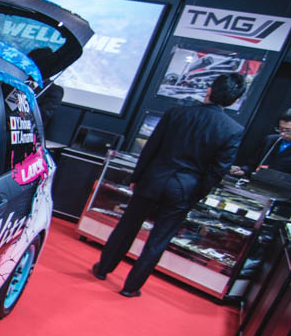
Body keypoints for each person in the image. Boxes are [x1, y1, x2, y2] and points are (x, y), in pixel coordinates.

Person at [92, 73, 246, 298]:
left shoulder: (177, 113)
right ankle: (131, 287)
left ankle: (103, 269)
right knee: (159, 239)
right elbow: (218, 169)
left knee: (127, 227)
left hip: (153, 179)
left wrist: (137, 176)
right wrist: (197, 194)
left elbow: (151, 148)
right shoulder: (232, 129)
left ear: (209, 90)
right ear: (235, 100)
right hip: (185, 188)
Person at [232, 108, 291, 177]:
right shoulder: (270, 140)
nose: (282, 134)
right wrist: (243, 170)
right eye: (280, 129)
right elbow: (252, 164)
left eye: (288, 131)